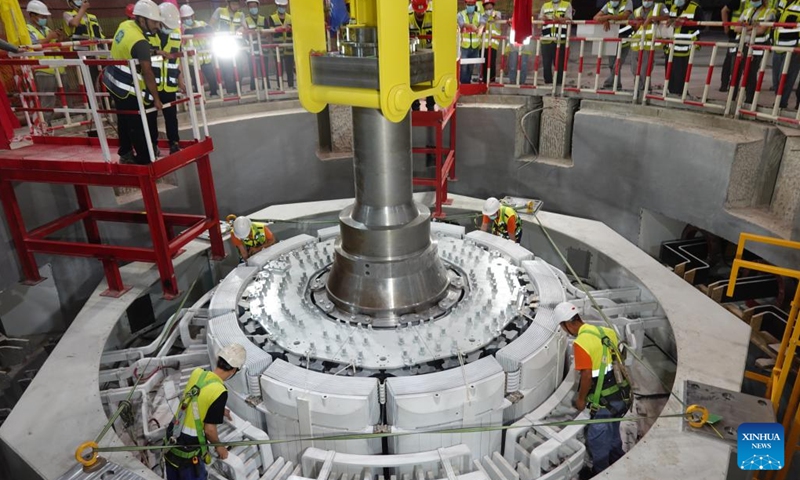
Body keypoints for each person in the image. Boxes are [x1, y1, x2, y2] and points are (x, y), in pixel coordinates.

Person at [554, 302, 630, 476]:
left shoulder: (581, 343)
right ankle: (619, 460)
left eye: (563, 328)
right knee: (613, 429)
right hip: (622, 394)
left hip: (605, 400)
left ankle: (601, 472)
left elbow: (587, 375)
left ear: (567, 324)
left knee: (597, 439)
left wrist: (581, 399)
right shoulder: (607, 331)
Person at [164, 343, 246, 480]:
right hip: (189, 446)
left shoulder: (198, 373)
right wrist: (219, 447)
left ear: (218, 360)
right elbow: (209, 431)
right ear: (233, 370)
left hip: (173, 433)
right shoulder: (220, 391)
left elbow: (196, 398)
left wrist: (218, 410)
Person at [103, 0, 163, 165]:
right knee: (136, 124)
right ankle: (144, 158)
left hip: (113, 81)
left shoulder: (125, 25)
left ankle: (126, 153)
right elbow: (147, 72)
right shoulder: (140, 41)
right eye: (154, 22)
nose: (157, 26)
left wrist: (154, 51)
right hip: (127, 88)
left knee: (124, 120)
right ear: (142, 20)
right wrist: (156, 98)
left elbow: (130, 49)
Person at [147, 2, 183, 156]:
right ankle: (153, 145)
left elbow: (177, 59)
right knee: (150, 116)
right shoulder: (147, 34)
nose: (169, 28)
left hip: (169, 83)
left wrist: (180, 80)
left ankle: (174, 143)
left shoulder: (176, 34)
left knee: (171, 117)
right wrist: (156, 52)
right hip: (150, 84)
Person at [26, 1, 65, 126]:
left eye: (45, 17)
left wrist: (58, 37)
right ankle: (45, 125)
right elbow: (33, 46)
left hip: (58, 67)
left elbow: (54, 45)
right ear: (32, 15)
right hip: (43, 69)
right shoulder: (28, 29)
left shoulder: (47, 29)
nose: (45, 19)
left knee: (66, 96)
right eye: (42, 16)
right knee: (47, 99)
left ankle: (67, 119)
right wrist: (49, 38)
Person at [732, 1, 775, 104]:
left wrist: (745, 28)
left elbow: (761, 30)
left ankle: (749, 101)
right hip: (741, 45)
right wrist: (752, 27)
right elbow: (736, 28)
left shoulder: (770, 12)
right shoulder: (747, 11)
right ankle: (732, 99)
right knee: (734, 73)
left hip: (756, 48)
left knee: (750, 74)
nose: (753, 1)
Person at [180, 4, 219, 98]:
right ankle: (199, 96)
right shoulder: (182, 28)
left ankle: (214, 93)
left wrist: (201, 29)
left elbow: (210, 29)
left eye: (188, 17)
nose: (187, 20)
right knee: (196, 80)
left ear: (193, 16)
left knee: (211, 77)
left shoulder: (201, 23)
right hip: (192, 60)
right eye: (185, 18)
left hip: (206, 58)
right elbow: (189, 32)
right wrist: (202, 30)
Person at [630, 1, 670, 92]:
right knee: (634, 69)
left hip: (648, 44)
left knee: (645, 69)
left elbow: (667, 17)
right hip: (636, 43)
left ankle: (644, 90)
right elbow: (632, 26)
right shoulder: (637, 11)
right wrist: (636, 23)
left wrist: (651, 18)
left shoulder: (659, 6)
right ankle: (638, 88)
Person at [63, 0, 105, 87]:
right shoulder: (68, 14)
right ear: (71, 3)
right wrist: (82, 9)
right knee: (89, 83)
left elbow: (100, 34)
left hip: (98, 54)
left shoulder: (92, 17)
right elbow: (74, 23)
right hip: (83, 55)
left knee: (103, 82)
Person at [594, 0, 633, 90]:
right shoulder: (608, 5)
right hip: (612, 40)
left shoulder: (627, 2)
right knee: (612, 65)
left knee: (617, 64)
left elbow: (624, 16)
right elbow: (596, 17)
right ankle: (617, 85)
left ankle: (608, 83)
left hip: (624, 40)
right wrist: (604, 20)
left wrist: (607, 17)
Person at [666, 0, 702, 95]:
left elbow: (701, 25)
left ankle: (681, 92)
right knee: (671, 71)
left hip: (686, 45)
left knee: (681, 71)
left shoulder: (695, 8)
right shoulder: (673, 7)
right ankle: (672, 91)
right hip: (673, 45)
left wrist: (686, 23)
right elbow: (670, 21)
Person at [210, 0, 245, 95]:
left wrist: (243, 28)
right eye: (233, 3)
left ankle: (238, 90)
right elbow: (211, 24)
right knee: (227, 69)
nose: (235, 6)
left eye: (237, 4)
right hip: (224, 44)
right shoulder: (220, 11)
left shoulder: (240, 15)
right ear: (228, 3)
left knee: (239, 68)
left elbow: (245, 27)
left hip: (237, 45)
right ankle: (230, 91)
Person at [539, 0, 573, 87]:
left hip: (560, 39)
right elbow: (540, 18)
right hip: (546, 39)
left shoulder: (566, 5)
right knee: (546, 64)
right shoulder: (545, 5)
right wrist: (545, 19)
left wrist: (559, 20)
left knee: (559, 64)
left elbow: (569, 19)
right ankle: (548, 83)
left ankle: (558, 84)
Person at [774, 0, 800, 108]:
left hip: (793, 47)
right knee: (776, 80)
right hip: (777, 45)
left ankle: (781, 104)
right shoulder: (782, 1)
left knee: (786, 78)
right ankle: (778, 103)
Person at [409, 0, 435, 111]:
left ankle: (430, 105)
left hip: (430, 54)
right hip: (414, 55)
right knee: (413, 80)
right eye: (418, 11)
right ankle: (415, 106)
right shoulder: (408, 18)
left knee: (431, 80)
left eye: (423, 10)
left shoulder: (432, 16)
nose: (421, 13)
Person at [720, 0, 746, 92]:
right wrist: (726, 27)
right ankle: (727, 84)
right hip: (735, 34)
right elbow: (724, 10)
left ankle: (729, 84)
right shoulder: (739, 1)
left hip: (743, 33)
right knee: (731, 60)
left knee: (735, 60)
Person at [458, 0, 486, 84]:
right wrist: (471, 26)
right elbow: (461, 24)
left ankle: (468, 82)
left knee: (471, 66)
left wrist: (480, 28)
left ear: (475, 5)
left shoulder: (478, 15)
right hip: (464, 45)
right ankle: (463, 84)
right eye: (469, 4)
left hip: (475, 46)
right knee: (464, 66)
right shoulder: (460, 14)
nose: (470, 6)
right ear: (465, 4)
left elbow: (483, 22)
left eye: (472, 4)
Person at [268, 0, 294, 89]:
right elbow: (271, 30)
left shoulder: (290, 17)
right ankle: (280, 86)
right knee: (279, 68)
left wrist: (290, 28)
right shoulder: (272, 17)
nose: (282, 8)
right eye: (280, 6)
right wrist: (281, 28)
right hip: (277, 47)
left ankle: (291, 85)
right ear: (277, 6)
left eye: (283, 6)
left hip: (289, 47)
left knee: (289, 67)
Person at [244, 0, 268, 91]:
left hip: (263, 49)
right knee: (253, 71)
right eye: (251, 7)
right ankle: (254, 89)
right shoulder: (245, 20)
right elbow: (246, 34)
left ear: (258, 7)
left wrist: (254, 33)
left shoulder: (263, 19)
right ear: (248, 8)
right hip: (252, 50)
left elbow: (267, 32)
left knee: (264, 70)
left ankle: (266, 88)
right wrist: (259, 33)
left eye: (255, 6)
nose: (253, 8)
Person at [481, 0, 502, 83]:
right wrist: (486, 16)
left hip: (493, 44)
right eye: (486, 5)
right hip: (483, 44)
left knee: (492, 62)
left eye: (490, 5)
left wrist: (492, 15)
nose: (488, 7)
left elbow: (497, 19)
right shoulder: (482, 15)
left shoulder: (497, 13)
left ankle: (492, 80)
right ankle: (484, 80)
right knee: (484, 63)